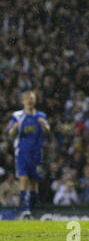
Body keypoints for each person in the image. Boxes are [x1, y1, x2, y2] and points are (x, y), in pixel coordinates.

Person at [6, 91, 50, 219]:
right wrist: (14, 128)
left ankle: (31, 210)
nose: (29, 100)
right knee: (23, 179)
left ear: (35, 100)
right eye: (27, 98)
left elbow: (48, 130)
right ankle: (25, 210)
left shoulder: (41, 115)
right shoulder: (17, 116)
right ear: (23, 101)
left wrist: (44, 125)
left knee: (34, 183)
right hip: (22, 152)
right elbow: (10, 132)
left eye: (32, 98)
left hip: (36, 152)